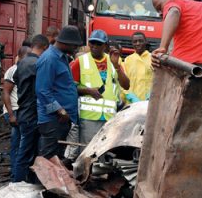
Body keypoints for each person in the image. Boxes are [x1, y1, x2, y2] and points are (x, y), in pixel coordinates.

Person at [71, 30, 130, 149]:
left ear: (105, 46)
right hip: (89, 117)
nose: (94, 46)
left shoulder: (113, 61)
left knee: (104, 152)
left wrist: (117, 66)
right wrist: (88, 91)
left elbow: (126, 85)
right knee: (87, 151)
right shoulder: (80, 62)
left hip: (109, 118)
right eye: (92, 43)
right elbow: (70, 88)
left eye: (98, 44)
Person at [36, 26, 81, 159]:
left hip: (61, 119)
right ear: (66, 43)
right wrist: (59, 110)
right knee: (48, 159)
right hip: (53, 120)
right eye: (74, 46)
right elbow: (42, 90)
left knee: (56, 158)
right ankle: (42, 181)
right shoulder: (49, 59)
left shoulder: (62, 58)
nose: (76, 49)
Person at [9, 35, 49, 182]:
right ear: (45, 47)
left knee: (26, 150)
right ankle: (18, 184)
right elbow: (42, 91)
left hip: (23, 110)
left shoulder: (22, 63)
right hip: (33, 113)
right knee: (28, 152)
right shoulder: (38, 64)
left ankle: (23, 182)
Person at [2, 45, 28, 181]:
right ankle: (16, 175)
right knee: (19, 143)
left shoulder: (26, 68)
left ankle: (18, 173)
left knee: (19, 142)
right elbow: (5, 92)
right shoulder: (13, 71)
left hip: (22, 111)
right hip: (16, 111)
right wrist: (11, 115)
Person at [121, 32, 153, 103]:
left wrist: (152, 94)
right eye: (135, 42)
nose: (138, 43)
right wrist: (130, 96)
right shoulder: (127, 60)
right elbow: (123, 82)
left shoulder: (153, 59)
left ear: (145, 42)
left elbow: (158, 80)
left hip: (149, 104)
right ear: (132, 44)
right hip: (131, 104)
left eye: (140, 41)